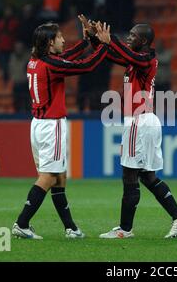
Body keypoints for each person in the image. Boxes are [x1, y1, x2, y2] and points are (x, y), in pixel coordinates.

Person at [81, 15, 177, 239]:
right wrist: (94, 38)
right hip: (143, 121)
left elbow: (121, 51)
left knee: (129, 175)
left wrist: (110, 39)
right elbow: (113, 54)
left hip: (139, 121)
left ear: (143, 41)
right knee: (148, 177)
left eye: (133, 36)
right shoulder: (134, 59)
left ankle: (125, 229)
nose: (129, 38)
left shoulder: (146, 58)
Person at [11, 16, 110, 239]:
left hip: (38, 124)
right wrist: (104, 45)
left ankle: (71, 229)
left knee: (59, 177)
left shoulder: (35, 61)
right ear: (49, 43)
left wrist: (86, 42)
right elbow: (86, 66)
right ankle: (22, 222)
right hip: (51, 125)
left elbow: (66, 58)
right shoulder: (51, 65)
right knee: (48, 176)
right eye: (59, 37)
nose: (64, 40)